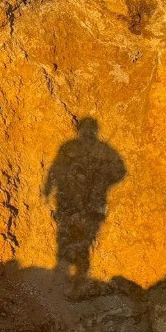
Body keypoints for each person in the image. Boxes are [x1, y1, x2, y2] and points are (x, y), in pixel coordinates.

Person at [44, 117, 126, 277]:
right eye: (85, 129)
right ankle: (67, 271)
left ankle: (80, 275)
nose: (87, 132)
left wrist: (104, 182)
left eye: (90, 129)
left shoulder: (102, 149)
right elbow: (55, 168)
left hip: (91, 202)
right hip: (70, 199)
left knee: (85, 237)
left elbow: (120, 171)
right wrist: (48, 188)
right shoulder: (70, 146)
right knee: (67, 233)